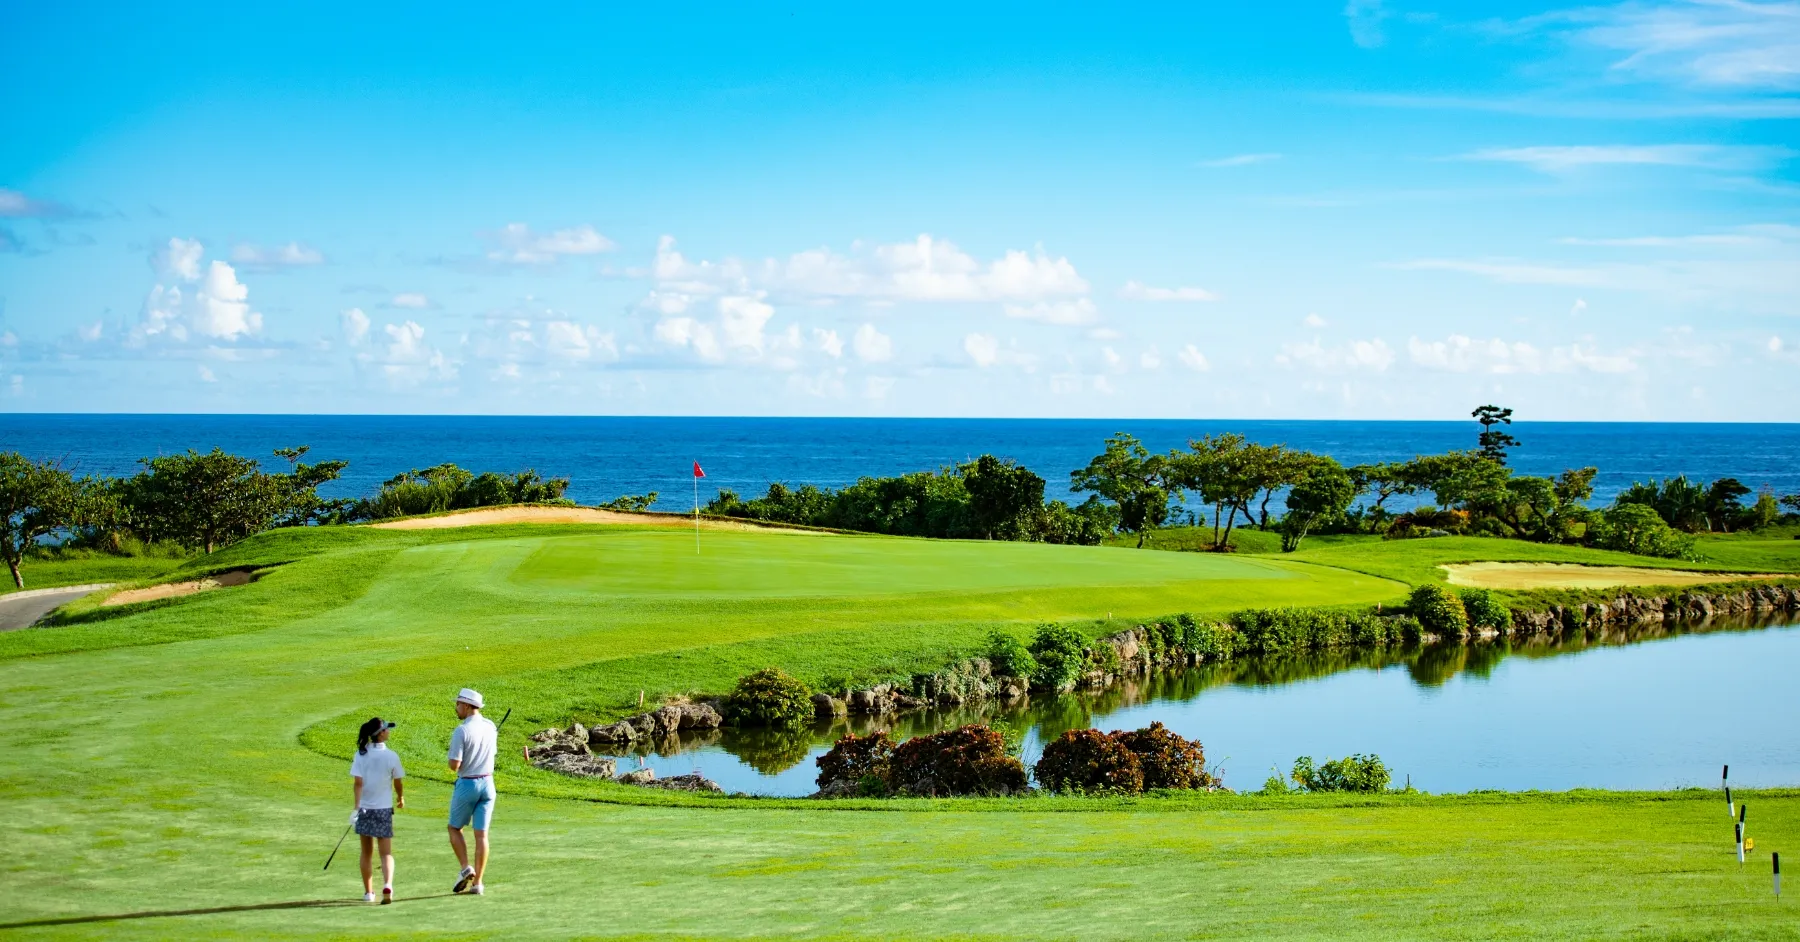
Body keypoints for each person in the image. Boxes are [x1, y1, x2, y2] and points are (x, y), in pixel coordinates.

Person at [446, 687, 497, 895]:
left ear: (467, 706)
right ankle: (478, 884)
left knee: (454, 828)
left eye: (458, 703)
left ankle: (466, 867)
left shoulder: (462, 730)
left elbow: (454, 765)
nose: (456, 707)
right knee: (481, 835)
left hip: (468, 784)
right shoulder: (490, 726)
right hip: (488, 784)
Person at [350, 717, 405, 905]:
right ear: (380, 734)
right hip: (383, 810)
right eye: (386, 729)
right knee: (386, 853)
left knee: (366, 853)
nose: (389, 731)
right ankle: (387, 884)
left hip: (364, 809)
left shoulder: (361, 754)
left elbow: (358, 783)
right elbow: (398, 782)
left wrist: (356, 807)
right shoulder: (391, 756)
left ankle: (368, 892)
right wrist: (400, 797)